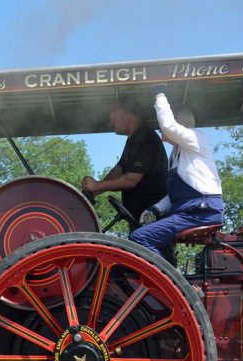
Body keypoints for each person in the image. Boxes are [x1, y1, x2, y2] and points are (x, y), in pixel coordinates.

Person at [128, 89, 223, 257]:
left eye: (161, 125)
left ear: (179, 124)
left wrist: (159, 94)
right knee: (146, 233)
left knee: (139, 237)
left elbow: (168, 126)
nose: (159, 130)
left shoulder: (196, 138)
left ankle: (161, 280)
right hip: (190, 211)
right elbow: (173, 195)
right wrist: (155, 210)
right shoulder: (176, 154)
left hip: (201, 212)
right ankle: (165, 271)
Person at [80, 96, 167, 228]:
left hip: (151, 217)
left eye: (114, 120)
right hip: (140, 217)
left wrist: (97, 186)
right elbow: (119, 169)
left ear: (128, 117)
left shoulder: (144, 138)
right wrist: (93, 192)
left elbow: (131, 180)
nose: (110, 123)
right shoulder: (134, 139)